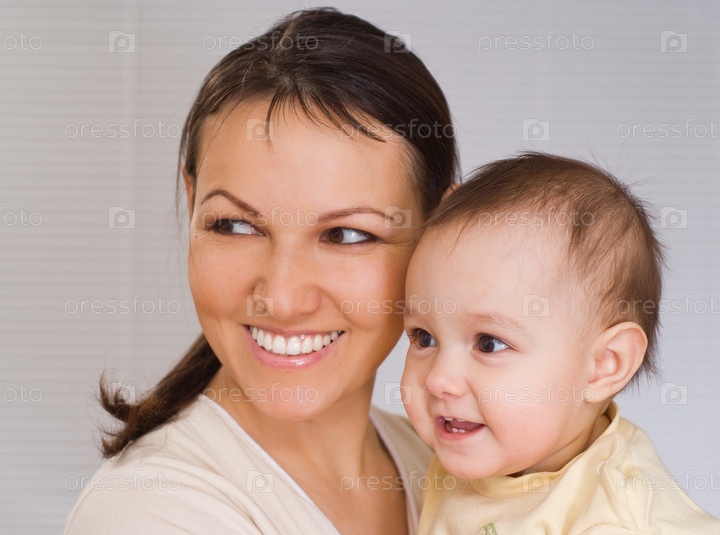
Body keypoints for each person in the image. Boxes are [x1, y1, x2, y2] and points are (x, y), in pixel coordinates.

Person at [64, 8, 459, 535]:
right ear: (191, 203)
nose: (281, 298)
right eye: (235, 226)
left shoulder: (453, 473)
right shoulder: (150, 513)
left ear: (443, 234)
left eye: (346, 235)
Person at [400, 152, 720, 533]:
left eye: (488, 344)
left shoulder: (612, 517)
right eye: (424, 337)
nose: (438, 379)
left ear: (605, 364)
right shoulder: (464, 449)